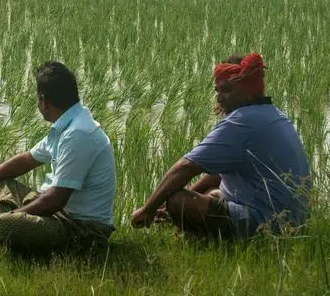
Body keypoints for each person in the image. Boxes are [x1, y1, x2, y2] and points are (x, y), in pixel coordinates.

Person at [131, 53, 310, 239]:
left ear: (247, 90)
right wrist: (181, 197)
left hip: (268, 224)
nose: (219, 99)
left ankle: (205, 242)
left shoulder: (242, 121)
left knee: (178, 201)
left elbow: (186, 167)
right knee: (210, 192)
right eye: (217, 90)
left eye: (226, 90)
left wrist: (148, 209)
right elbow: (216, 174)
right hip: (294, 220)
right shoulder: (272, 113)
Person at [0, 61, 116, 256]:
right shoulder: (68, 125)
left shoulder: (78, 133)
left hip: (81, 230)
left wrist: (1, 221)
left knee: (5, 223)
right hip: (60, 217)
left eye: (37, 98)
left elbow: (55, 200)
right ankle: (5, 240)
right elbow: (24, 161)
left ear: (44, 101)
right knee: (0, 184)